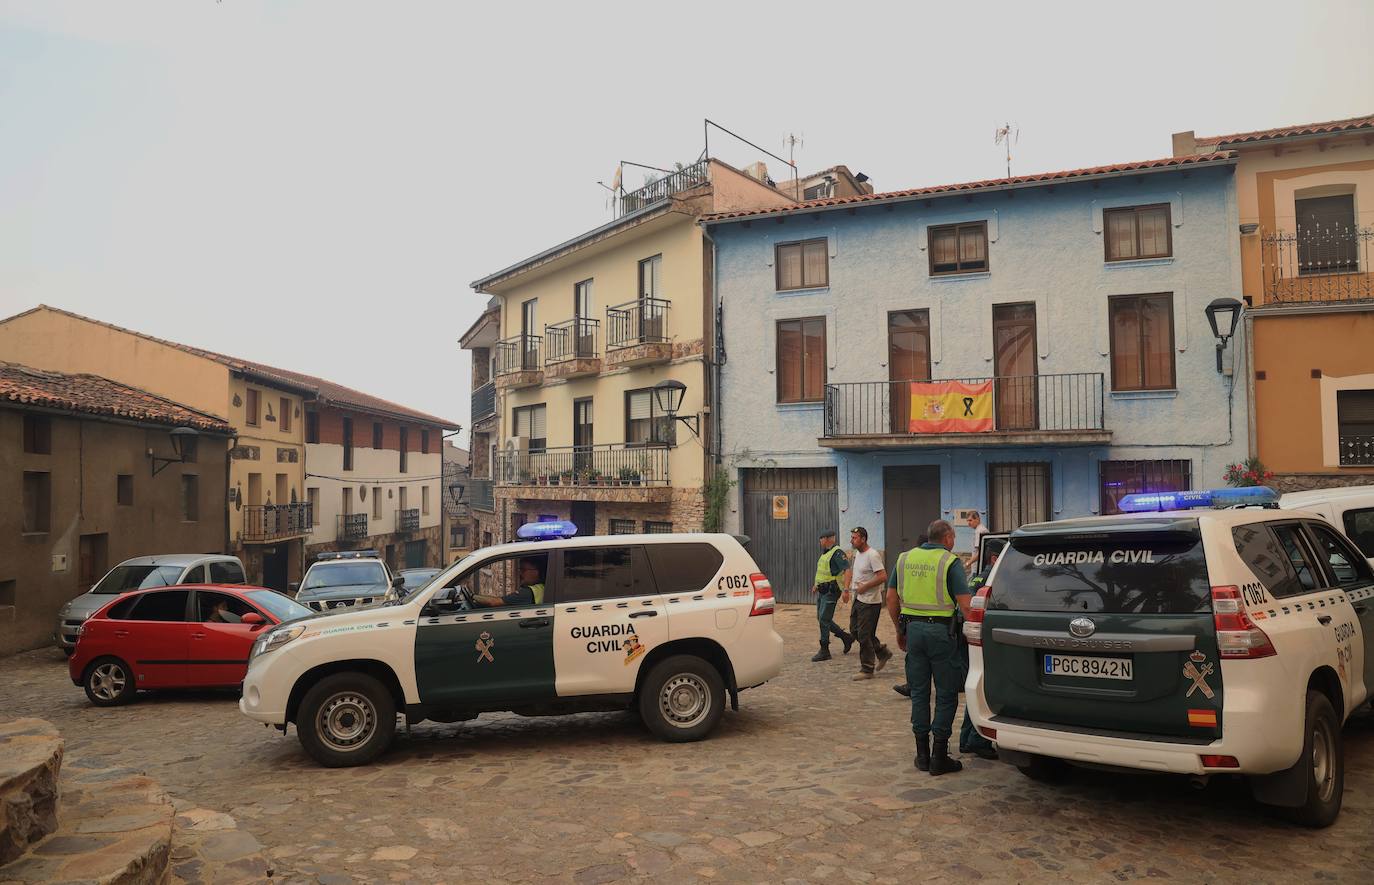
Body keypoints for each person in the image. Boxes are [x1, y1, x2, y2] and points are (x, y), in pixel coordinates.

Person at [886, 519, 972, 776]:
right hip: (941, 634)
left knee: (920, 693)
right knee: (946, 693)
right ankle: (939, 756)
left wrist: (899, 630)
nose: (953, 542)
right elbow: (966, 606)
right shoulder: (949, 561)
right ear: (946, 538)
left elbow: (891, 598)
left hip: (913, 632)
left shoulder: (903, 559)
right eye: (953, 538)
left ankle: (922, 755)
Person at [956, 551, 998, 760]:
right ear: (994, 558)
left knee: (976, 685)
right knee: (986, 687)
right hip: (980, 634)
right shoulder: (995, 578)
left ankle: (967, 739)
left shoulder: (980, 576)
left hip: (964, 633)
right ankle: (976, 739)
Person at [846, 527, 892, 681]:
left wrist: (864, 587)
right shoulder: (858, 554)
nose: (851, 540)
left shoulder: (873, 555)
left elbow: (883, 576)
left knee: (864, 635)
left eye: (854, 538)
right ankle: (882, 652)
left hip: (871, 602)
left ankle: (867, 669)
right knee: (855, 631)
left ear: (863, 539)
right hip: (858, 599)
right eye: (852, 537)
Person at [810, 530, 854, 662]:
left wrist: (846, 590)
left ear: (829, 539)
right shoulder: (825, 554)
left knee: (824, 618)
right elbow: (822, 572)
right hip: (822, 590)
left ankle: (825, 650)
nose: (820, 541)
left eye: (822, 538)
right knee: (822, 618)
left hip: (831, 591)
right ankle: (846, 637)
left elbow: (847, 570)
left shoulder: (837, 553)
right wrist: (816, 585)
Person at [475, 558, 545, 607]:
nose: (520, 573)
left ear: (537, 572)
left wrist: (473, 596)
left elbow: (494, 602)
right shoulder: (542, 587)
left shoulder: (529, 592)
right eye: (520, 569)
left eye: (524, 570)